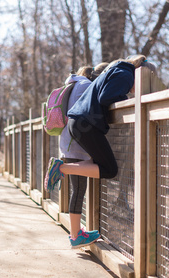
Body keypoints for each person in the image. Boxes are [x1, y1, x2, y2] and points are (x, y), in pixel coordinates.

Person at [45, 55, 155, 245]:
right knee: (109, 170)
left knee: (101, 166)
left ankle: (75, 235)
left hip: (80, 124)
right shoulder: (125, 73)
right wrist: (127, 100)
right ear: (140, 72)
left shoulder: (119, 70)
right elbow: (107, 97)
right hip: (84, 125)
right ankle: (61, 168)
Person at [58, 63, 108, 249]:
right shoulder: (86, 86)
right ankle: (75, 236)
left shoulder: (73, 85)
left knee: (77, 190)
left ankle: (77, 232)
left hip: (68, 142)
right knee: (78, 191)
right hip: (76, 145)